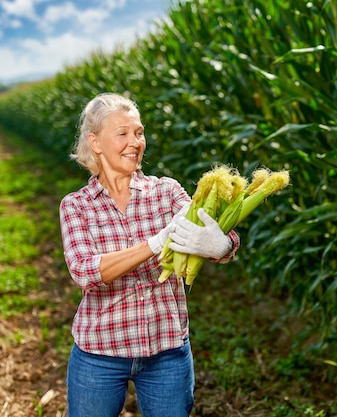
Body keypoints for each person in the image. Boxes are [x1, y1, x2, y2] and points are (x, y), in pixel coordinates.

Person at [59, 92, 240, 417]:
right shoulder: (77, 205)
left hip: (166, 352)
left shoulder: (167, 191)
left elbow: (213, 231)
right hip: (99, 354)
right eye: (123, 134)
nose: (135, 142)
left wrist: (221, 246)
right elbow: (84, 271)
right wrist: (154, 244)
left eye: (139, 132)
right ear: (96, 142)